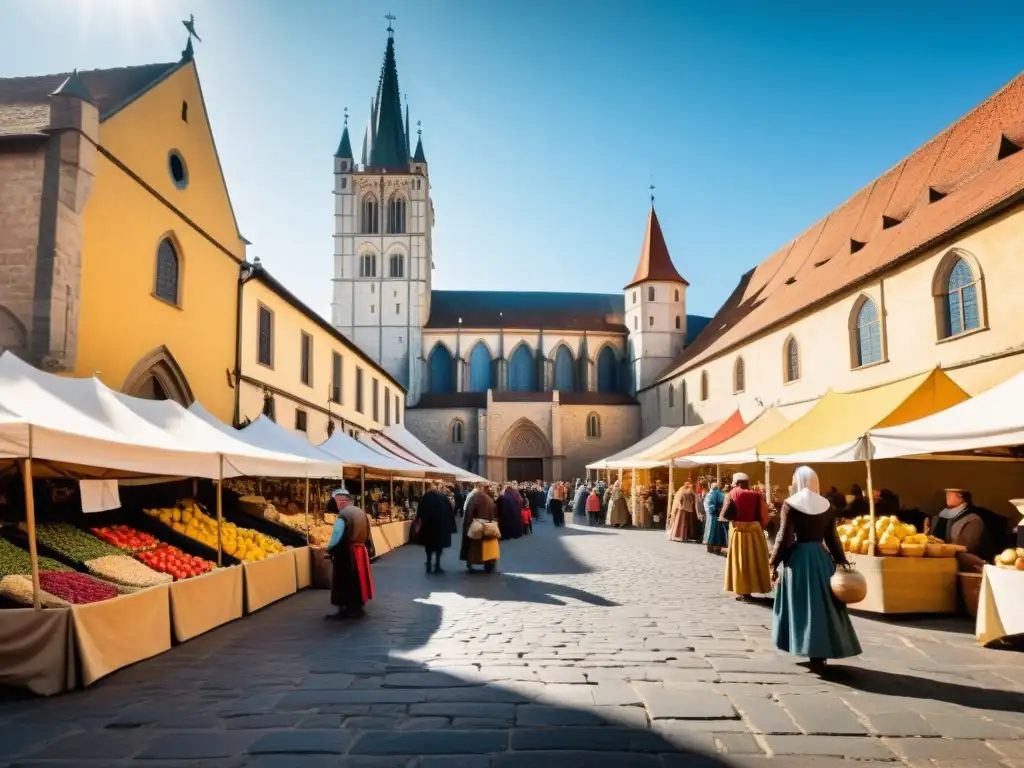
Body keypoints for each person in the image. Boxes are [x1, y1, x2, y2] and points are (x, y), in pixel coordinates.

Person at [770, 466, 862, 674]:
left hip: (799, 560)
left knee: (803, 606)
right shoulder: (827, 505)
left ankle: (806, 647)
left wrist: (773, 562)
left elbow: (784, 537)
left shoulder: (791, 505)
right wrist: (840, 560)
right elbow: (832, 537)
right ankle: (819, 654)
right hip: (821, 559)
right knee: (821, 607)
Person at [720, 472, 772, 600]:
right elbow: (764, 515)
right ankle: (754, 587)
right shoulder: (757, 495)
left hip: (738, 530)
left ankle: (742, 590)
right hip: (754, 531)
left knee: (740, 561)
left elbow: (724, 514)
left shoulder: (731, 494)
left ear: (736, 483)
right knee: (754, 561)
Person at [324, 488, 374, 619]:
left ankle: (344, 609)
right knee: (359, 579)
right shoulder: (361, 512)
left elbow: (336, 536)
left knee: (344, 580)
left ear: (340, 502)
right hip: (361, 551)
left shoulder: (343, 516)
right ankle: (358, 605)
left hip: (347, 553)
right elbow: (369, 534)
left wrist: (329, 549)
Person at [932, 488, 997, 569]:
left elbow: (966, 548)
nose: (947, 496)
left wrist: (945, 548)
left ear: (961, 497)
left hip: (967, 562)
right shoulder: (940, 518)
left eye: (951, 494)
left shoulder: (973, 519)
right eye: (947, 494)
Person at [412, 481, 457, 574]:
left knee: (428, 546)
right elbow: (449, 512)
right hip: (440, 526)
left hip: (428, 526)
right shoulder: (443, 497)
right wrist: (450, 526)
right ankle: (437, 565)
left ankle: (428, 562)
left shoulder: (426, 497)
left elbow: (420, 511)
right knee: (438, 547)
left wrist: (419, 521)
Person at [461, 481, 499, 573]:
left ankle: (471, 561)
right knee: (487, 545)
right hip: (488, 526)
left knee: (474, 547)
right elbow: (494, 514)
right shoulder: (489, 500)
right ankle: (489, 562)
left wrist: (467, 526)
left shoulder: (474, 498)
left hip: (477, 526)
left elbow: (469, 513)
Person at [703, 480, 727, 553]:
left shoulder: (712, 493)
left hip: (715, 514)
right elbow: (709, 504)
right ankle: (716, 547)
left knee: (714, 531)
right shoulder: (718, 493)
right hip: (716, 513)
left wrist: (714, 510)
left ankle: (714, 547)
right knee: (716, 531)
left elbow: (708, 504)